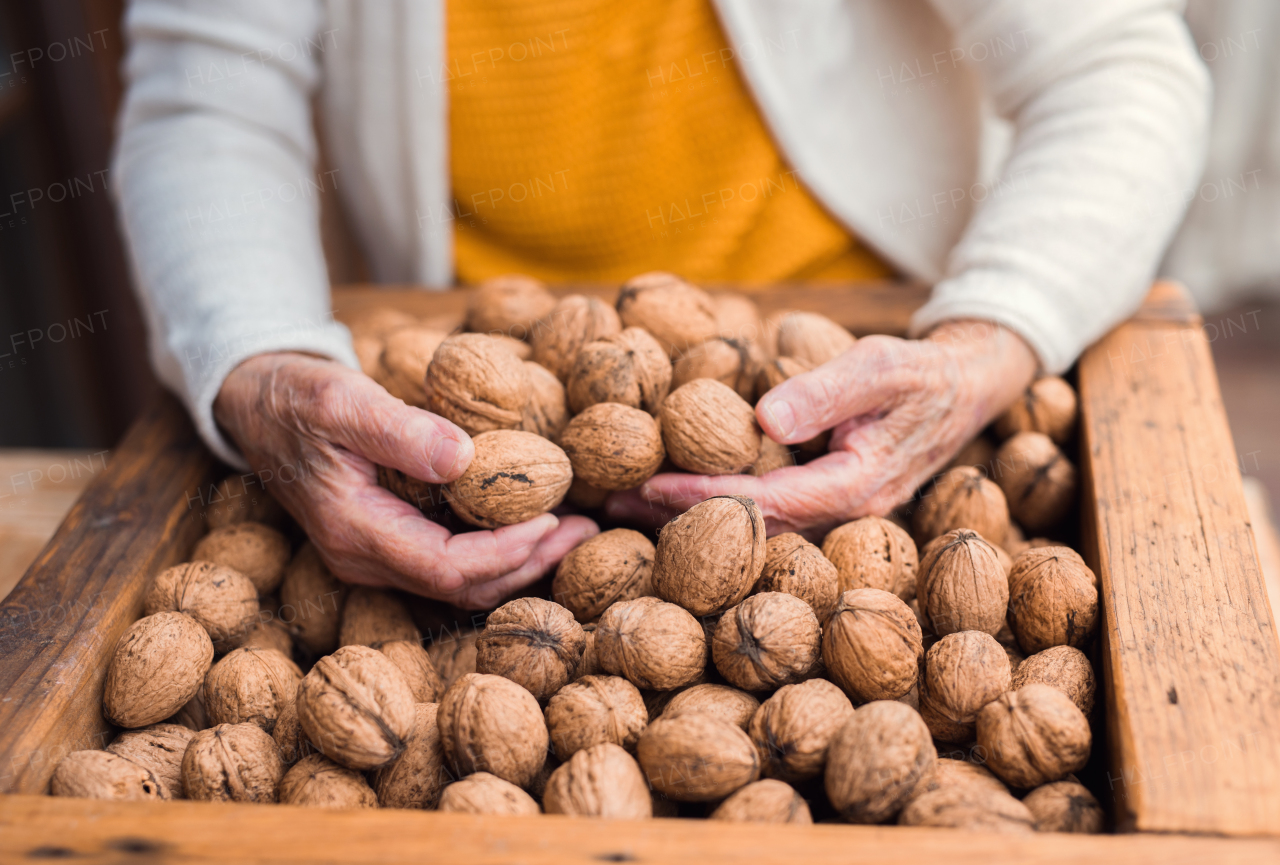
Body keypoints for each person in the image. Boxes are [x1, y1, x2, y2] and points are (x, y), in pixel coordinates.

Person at [113, 1, 1209, 608]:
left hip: (857, 376)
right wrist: (254, 361)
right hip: (474, 410)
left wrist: (988, 335)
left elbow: (1118, 67)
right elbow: (206, 99)